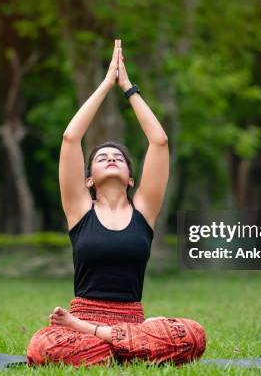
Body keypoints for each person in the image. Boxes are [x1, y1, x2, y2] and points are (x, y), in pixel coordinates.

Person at [26, 39, 207, 367]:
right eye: (102, 157)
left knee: (195, 334)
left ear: (131, 179)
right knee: (45, 346)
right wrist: (106, 83)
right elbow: (70, 139)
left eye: (119, 158)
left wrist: (127, 87)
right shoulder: (79, 210)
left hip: (129, 322)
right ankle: (124, 348)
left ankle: (110, 345)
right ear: (88, 180)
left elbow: (159, 141)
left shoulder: (144, 212)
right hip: (81, 323)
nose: (111, 158)